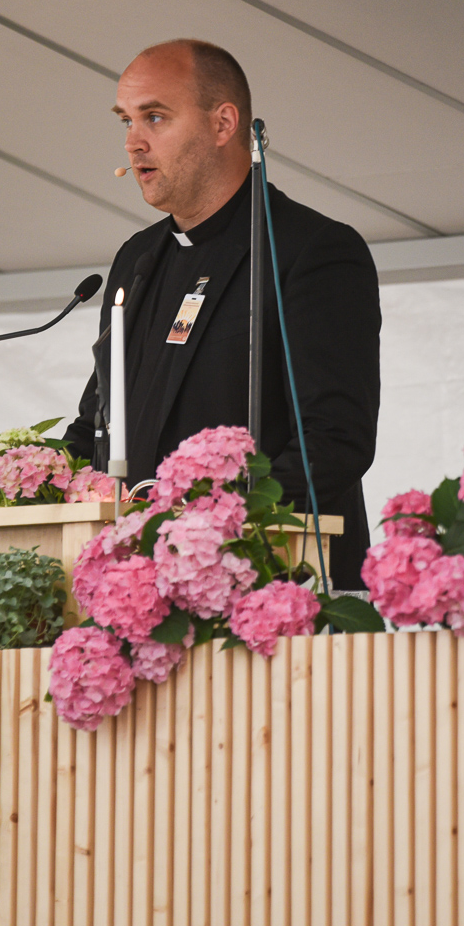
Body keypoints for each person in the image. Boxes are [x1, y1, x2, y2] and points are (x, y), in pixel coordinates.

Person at [63, 39, 380, 588]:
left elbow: (334, 441)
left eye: (154, 117)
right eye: (126, 120)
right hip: (145, 588)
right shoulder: (136, 259)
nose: (133, 142)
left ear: (223, 123)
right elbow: (100, 422)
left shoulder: (311, 250)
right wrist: (44, 481)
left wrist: (210, 531)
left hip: (274, 582)